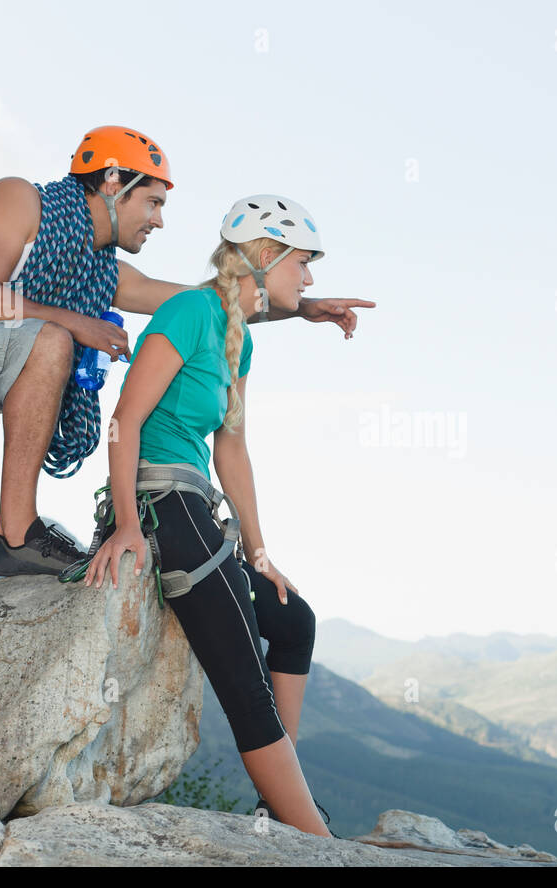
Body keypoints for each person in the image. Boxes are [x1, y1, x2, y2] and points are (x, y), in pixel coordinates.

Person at [0, 126, 372, 628]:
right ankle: (19, 533)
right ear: (113, 183)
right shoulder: (19, 199)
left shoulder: (96, 269)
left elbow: (200, 300)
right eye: (153, 201)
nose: (159, 219)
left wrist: (300, 307)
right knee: (50, 341)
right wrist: (75, 321)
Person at [82, 195, 362, 839]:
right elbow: (124, 423)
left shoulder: (238, 337)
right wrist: (128, 524)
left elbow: (230, 448)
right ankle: (315, 842)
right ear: (266, 257)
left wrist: (260, 553)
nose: (310, 279)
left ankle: (280, 812)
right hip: (162, 504)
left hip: (198, 507)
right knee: (245, 686)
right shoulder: (188, 312)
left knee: (292, 619)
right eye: (303, 263)